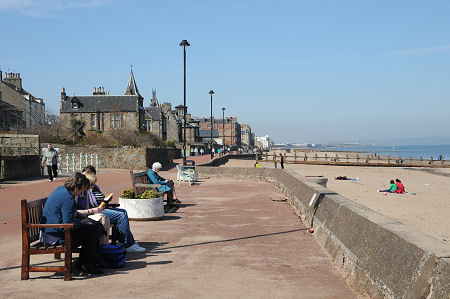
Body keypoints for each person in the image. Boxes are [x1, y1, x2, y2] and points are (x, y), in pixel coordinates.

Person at [40, 172, 104, 274]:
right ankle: (89, 264)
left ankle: (84, 262)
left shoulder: (61, 189)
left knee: (89, 229)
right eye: (82, 189)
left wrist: (80, 222)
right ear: (75, 188)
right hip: (55, 235)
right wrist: (81, 223)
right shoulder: (68, 198)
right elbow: (68, 223)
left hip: (48, 231)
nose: (82, 192)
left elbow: (68, 216)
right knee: (91, 230)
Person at [77, 168, 146, 253]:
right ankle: (128, 243)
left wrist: (105, 201)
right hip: (93, 212)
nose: (92, 186)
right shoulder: (81, 192)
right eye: (91, 184)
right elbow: (83, 208)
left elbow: (89, 204)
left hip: (98, 209)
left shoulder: (88, 190)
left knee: (123, 211)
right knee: (120, 215)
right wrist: (95, 209)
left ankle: (126, 241)